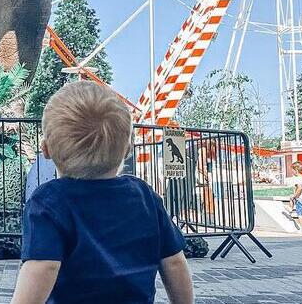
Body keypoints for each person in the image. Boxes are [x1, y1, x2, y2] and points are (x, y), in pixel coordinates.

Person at [11, 81, 194, 304]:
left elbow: (42, 267)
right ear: (127, 149)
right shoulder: (144, 196)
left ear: (46, 149)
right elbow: (174, 262)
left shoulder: (48, 201)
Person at [284, 160, 302, 233]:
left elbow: (299, 189)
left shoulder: (297, 179)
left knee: (299, 214)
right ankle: (290, 207)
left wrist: (294, 196)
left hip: (300, 199)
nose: (292, 171)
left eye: (292, 170)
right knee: (292, 197)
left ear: (296, 170)